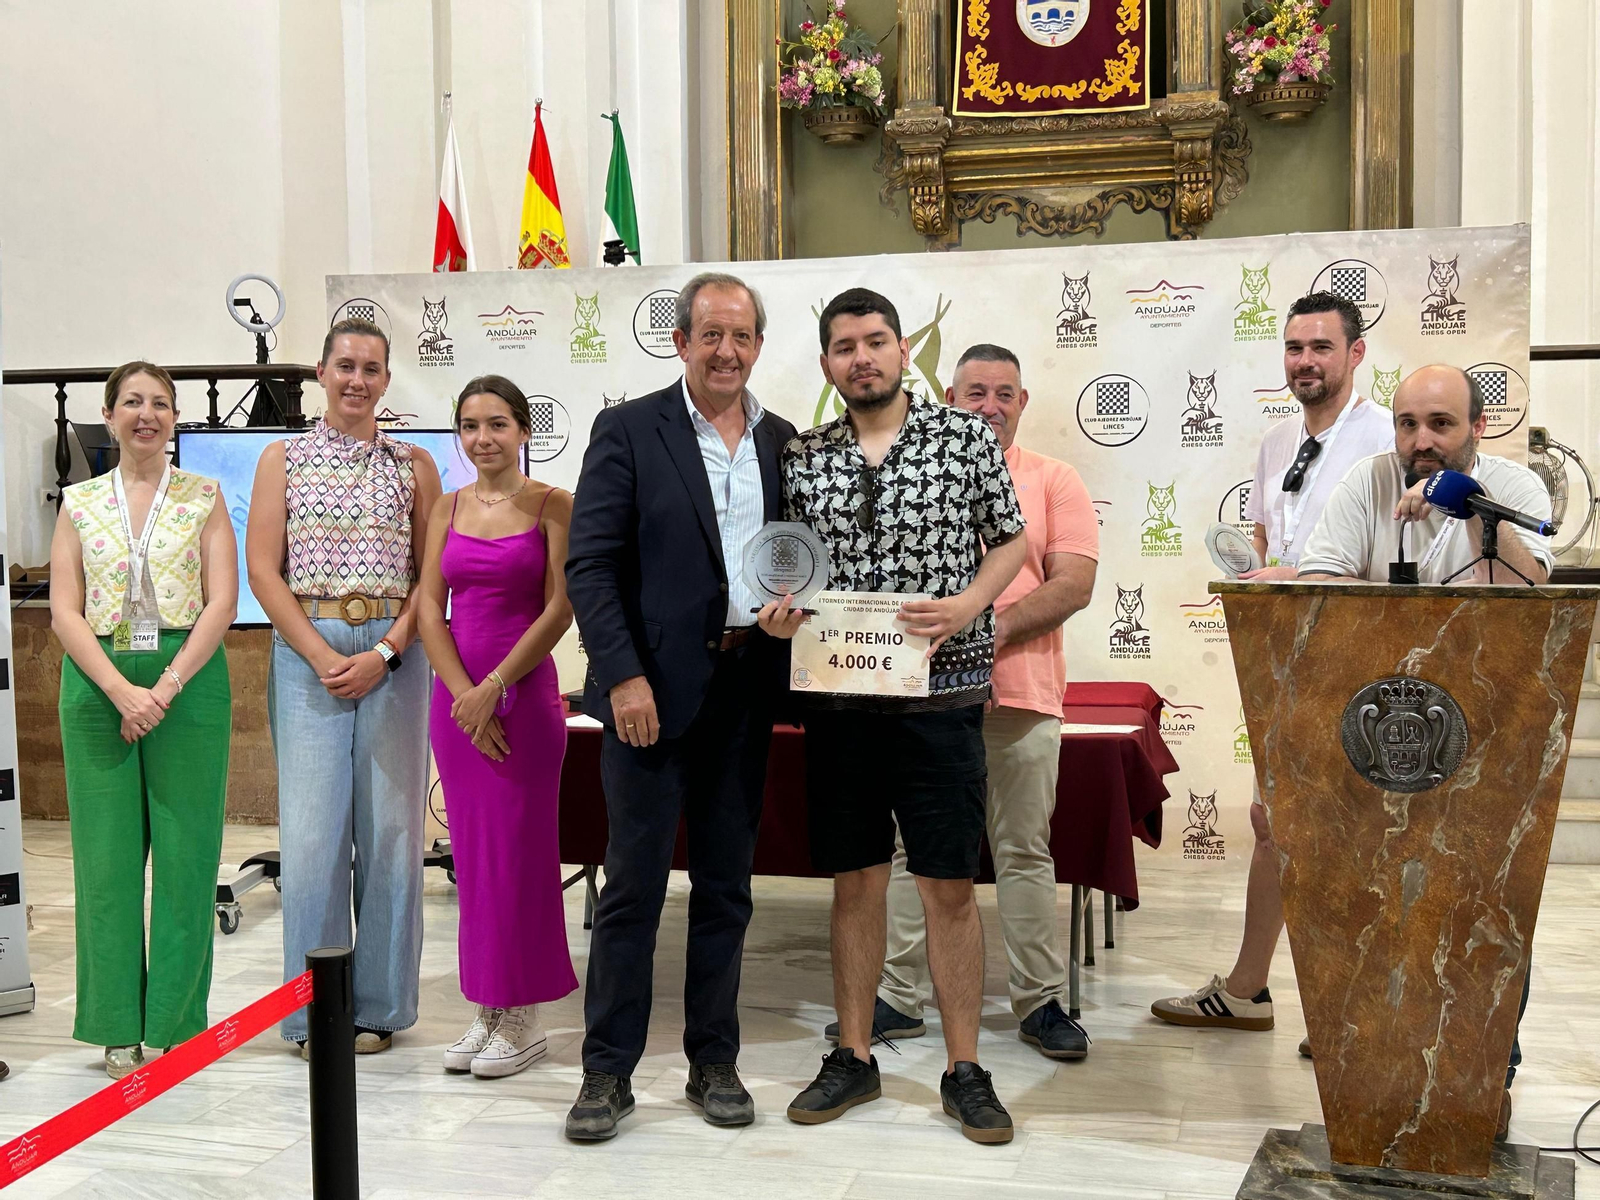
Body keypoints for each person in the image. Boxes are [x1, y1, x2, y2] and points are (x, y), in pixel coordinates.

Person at [762, 289, 1027, 1144]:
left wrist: (967, 606)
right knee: (855, 881)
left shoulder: (963, 438)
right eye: (844, 347)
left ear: (904, 347)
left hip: (941, 698)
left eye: (876, 341)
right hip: (839, 699)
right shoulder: (805, 455)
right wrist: (780, 609)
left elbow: (1012, 540)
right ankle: (853, 1056)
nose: (861, 358)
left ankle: (964, 1069)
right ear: (829, 362)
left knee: (948, 884)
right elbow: (786, 566)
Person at [563, 272, 798, 1141]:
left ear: (758, 347)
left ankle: (714, 1062)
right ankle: (605, 1073)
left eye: (742, 337)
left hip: (746, 689)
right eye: (712, 336)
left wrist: (793, 616)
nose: (727, 351)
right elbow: (590, 565)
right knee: (630, 890)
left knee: (727, 890)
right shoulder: (628, 430)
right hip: (648, 698)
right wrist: (621, 675)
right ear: (681, 341)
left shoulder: (786, 443)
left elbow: (801, 561)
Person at [825, 343, 1099, 1061]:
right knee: (915, 855)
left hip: (1021, 696)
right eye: (976, 392)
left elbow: (1072, 584)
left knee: (1022, 852)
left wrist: (978, 629)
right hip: (922, 700)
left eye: (1006, 393)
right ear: (948, 396)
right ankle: (898, 998)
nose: (991, 406)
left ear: (1022, 402)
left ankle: (1040, 1001)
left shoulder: (1054, 479)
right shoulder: (914, 469)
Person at [1300, 362, 1550, 1139]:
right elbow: (1315, 591)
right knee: (1374, 916)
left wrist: (1472, 508)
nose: (1420, 442)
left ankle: (1484, 1079)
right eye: (1408, 424)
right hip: (1379, 745)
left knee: (1489, 920)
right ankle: (1377, 1081)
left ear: (1478, 428)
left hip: (1492, 753)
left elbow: (1534, 594)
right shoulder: (1367, 483)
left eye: (1440, 425)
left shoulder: (1518, 491)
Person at [1151, 292, 1394, 1044]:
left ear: (1356, 354)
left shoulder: (1389, 438)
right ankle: (1252, 990)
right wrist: (1251, 570)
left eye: (1321, 347)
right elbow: (1266, 546)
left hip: (1364, 660)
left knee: (1351, 833)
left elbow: (1397, 566)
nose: (1305, 362)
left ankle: (1354, 1015)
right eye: (1294, 348)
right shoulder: (1276, 441)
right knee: (1274, 823)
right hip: (1285, 660)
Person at [247, 318, 442, 1056]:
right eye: (345, 366)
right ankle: (312, 1011)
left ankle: (381, 1009)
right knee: (312, 839)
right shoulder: (282, 459)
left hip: (394, 652)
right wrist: (323, 655)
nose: (357, 379)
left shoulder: (414, 465)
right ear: (322, 374)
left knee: (392, 835)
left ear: (387, 380)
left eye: (372, 368)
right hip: (309, 651)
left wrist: (387, 654)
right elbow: (264, 568)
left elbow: (432, 574)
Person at [50, 361, 237, 1078]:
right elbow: (65, 609)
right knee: (107, 863)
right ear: (108, 414)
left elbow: (221, 601)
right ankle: (114, 1026)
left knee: (188, 858)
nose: (146, 414)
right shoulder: (78, 502)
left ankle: (176, 1022)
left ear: (175, 417)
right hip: (97, 683)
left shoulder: (204, 496)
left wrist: (161, 688)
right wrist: (121, 692)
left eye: (160, 403)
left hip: (186, 680)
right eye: (132, 402)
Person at [417, 375, 578, 1078]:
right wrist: (463, 696)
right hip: (456, 705)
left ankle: (524, 1016)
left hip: (523, 699)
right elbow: (428, 604)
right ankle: (485, 1007)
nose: (483, 438)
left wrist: (494, 689)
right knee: (475, 860)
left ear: (523, 432)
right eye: (471, 426)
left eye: (498, 425)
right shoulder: (446, 507)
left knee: (521, 855)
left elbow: (559, 610)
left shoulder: (553, 504)